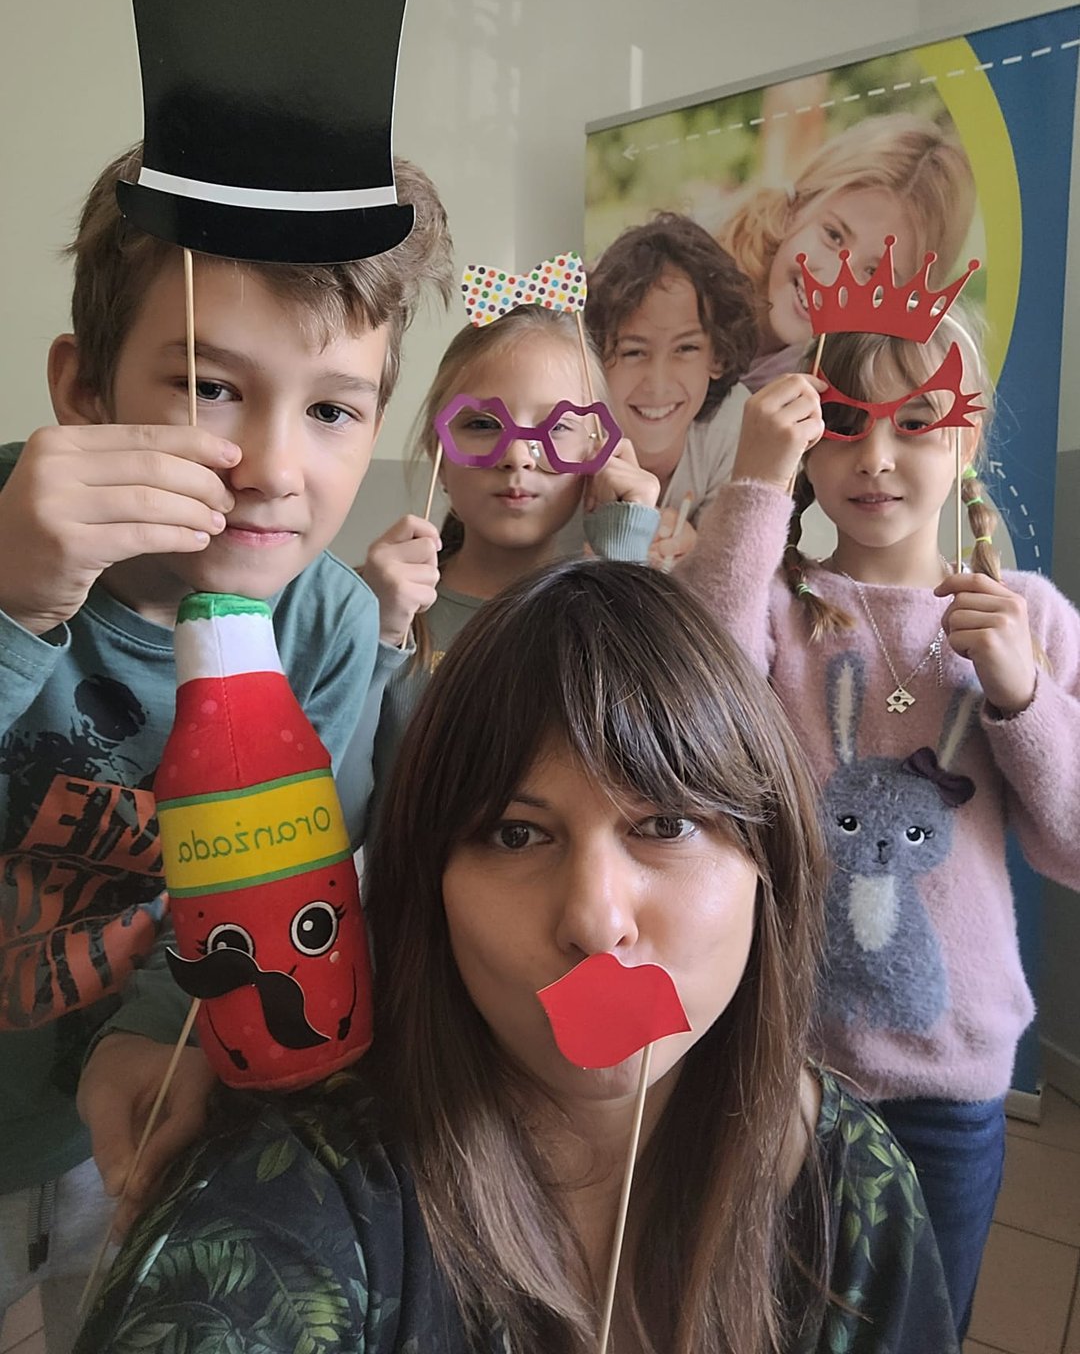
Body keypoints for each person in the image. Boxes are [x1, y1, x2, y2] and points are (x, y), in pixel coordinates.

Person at [75, 560, 958, 1354]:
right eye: (515, 833)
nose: (595, 923)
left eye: (665, 824)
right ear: (430, 888)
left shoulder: (850, 1180)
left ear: (772, 865)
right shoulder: (303, 1194)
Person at [0, 141, 452, 1351]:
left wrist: (152, 1030)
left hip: (117, 1112)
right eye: (208, 386)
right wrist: (15, 607)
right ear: (83, 389)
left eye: (332, 409)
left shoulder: (328, 626)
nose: (274, 470)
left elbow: (265, 883)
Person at [681, 312, 1080, 1340]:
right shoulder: (774, 606)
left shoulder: (1029, 618)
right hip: (778, 1074)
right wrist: (756, 484)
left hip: (951, 1086)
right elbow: (690, 730)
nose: (878, 456)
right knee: (769, 1323)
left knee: (918, 1328)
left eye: (917, 420)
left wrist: (1023, 695)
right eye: (846, 422)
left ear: (967, 435)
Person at [363, 303, 661, 782]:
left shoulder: (625, 606)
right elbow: (340, 793)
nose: (518, 456)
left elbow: (640, 771)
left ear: (600, 452)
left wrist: (623, 562)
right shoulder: (380, 604)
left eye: (558, 426)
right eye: (483, 425)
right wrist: (374, 634)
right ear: (437, 453)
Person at [718, 112, 975, 393]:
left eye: (873, 273)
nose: (830, 283)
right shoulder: (696, 279)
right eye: (834, 236)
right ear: (795, 207)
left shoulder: (854, 396)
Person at [585, 212, 759, 567]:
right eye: (633, 352)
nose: (658, 384)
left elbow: (734, 570)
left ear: (719, 355)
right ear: (596, 357)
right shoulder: (572, 435)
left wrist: (697, 551)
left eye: (686, 348)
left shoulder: (734, 428)